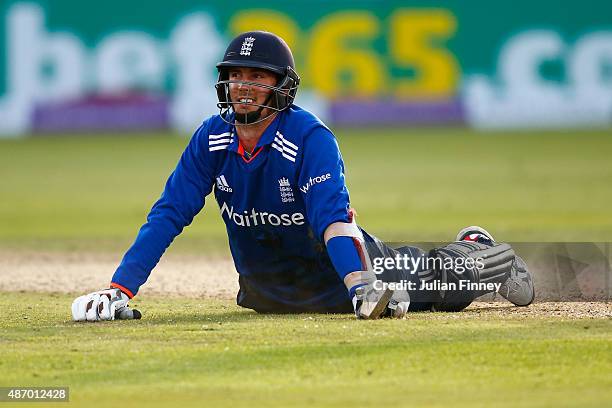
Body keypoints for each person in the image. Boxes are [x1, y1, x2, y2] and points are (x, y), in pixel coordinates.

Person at [71, 31, 534, 322]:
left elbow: (333, 219)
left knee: (435, 282)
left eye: (258, 76)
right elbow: (169, 213)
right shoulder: (210, 139)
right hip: (272, 292)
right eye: (236, 76)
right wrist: (119, 291)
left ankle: (482, 253)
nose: (244, 86)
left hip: (347, 273)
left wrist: (360, 285)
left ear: (283, 86)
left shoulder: (310, 138)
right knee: (272, 297)